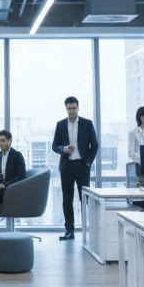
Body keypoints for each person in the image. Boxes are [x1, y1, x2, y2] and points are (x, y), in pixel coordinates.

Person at [51, 95, 97, 241]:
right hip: (66, 166)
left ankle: (87, 230)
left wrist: (88, 162)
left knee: (84, 200)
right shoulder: (60, 125)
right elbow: (54, 146)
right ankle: (69, 231)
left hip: (82, 166)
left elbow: (94, 145)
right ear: (66, 109)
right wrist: (64, 149)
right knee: (67, 200)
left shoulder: (87, 124)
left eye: (74, 108)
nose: (71, 111)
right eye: (69, 108)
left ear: (78, 108)